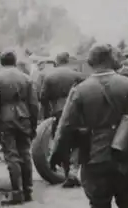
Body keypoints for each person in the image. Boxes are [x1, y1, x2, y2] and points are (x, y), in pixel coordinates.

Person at [50, 44, 128, 208]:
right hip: (125, 157)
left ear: (92, 62)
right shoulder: (126, 85)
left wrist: (56, 155)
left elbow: (65, 127)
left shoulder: (80, 90)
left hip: (94, 157)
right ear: (110, 58)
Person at [0, 50, 39, 205]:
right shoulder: (26, 78)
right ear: (15, 62)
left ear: (1, 62)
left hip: (5, 120)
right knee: (25, 153)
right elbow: (34, 104)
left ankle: (16, 193)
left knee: (11, 155)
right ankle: (28, 191)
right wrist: (34, 125)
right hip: (25, 118)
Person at [40, 52, 87, 187]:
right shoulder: (76, 75)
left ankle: (67, 173)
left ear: (56, 61)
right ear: (67, 60)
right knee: (78, 141)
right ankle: (75, 170)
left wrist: (47, 115)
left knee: (62, 142)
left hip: (58, 112)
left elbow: (43, 97)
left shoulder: (49, 76)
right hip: (76, 112)